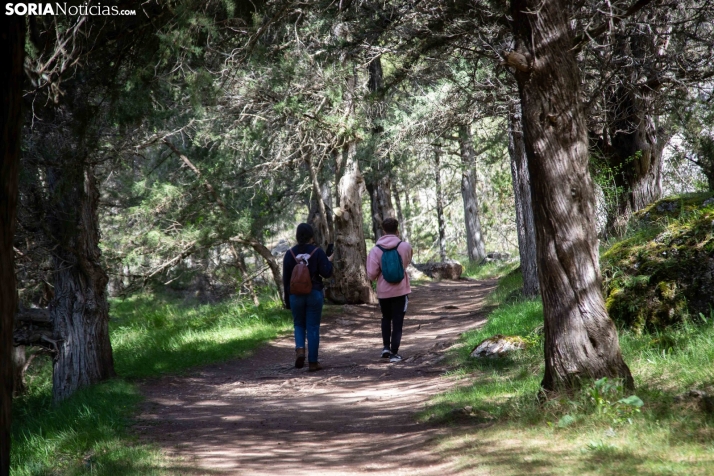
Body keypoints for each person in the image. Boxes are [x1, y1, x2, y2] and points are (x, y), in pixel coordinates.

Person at [283, 223, 333, 371]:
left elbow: (286, 279)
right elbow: (327, 273)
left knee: (298, 324)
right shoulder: (317, 252)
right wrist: (328, 260)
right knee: (312, 327)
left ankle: (300, 350)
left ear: (297, 236)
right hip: (314, 293)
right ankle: (313, 362)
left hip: (295, 295)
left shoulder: (289, 253)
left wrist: (287, 300)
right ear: (312, 236)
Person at [366, 217, 413, 363]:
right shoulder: (405, 246)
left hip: (383, 292)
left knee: (386, 318)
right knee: (398, 321)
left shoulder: (375, 250)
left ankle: (386, 347)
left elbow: (371, 274)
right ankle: (394, 353)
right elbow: (407, 262)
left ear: (383, 231)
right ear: (397, 230)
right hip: (401, 290)